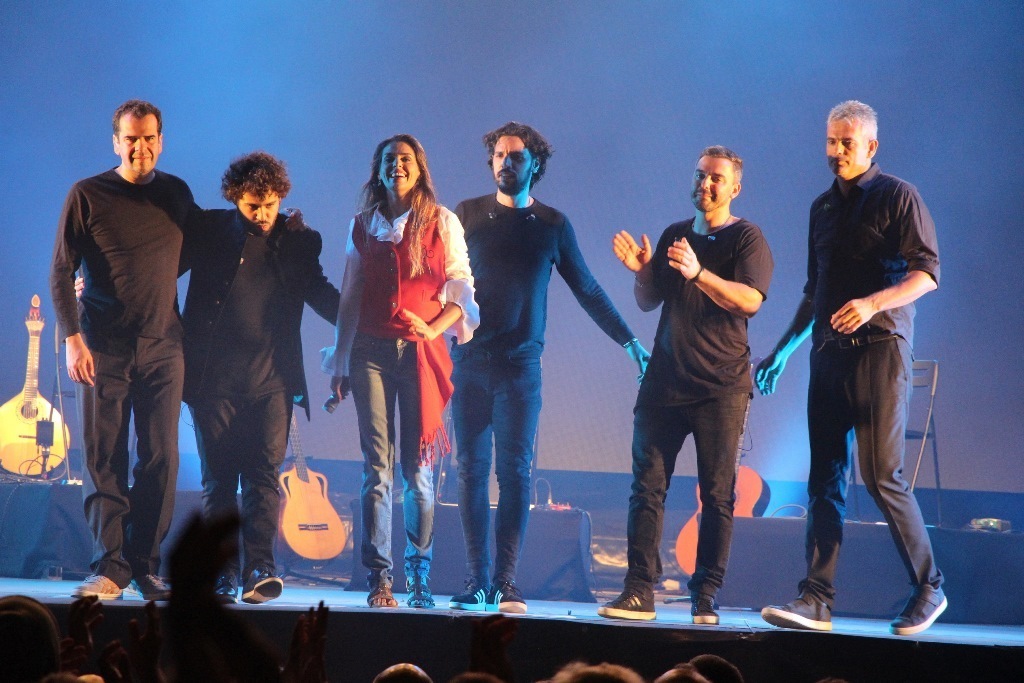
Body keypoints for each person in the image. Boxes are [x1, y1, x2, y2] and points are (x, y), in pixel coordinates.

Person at [755, 100, 944, 636]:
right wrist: (782, 351)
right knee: (824, 480)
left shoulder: (898, 196)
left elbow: (927, 274)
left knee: (881, 476)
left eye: (847, 143)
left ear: (871, 147)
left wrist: (872, 303)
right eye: (831, 141)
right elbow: (813, 292)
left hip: (880, 349)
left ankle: (929, 587)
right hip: (828, 355)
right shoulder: (821, 208)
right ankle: (816, 600)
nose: (836, 151)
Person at [448, 122, 649, 615]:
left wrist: (630, 342)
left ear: (534, 163)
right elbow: (441, 277)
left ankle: (506, 582)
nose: (505, 163)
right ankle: (477, 580)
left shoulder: (552, 225)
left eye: (516, 156)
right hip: (470, 363)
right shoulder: (466, 214)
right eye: (499, 155)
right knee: (470, 471)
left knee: (514, 474)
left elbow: (588, 289)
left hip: (520, 369)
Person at [597, 147, 773, 624]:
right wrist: (642, 272)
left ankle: (705, 595)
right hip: (664, 383)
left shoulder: (746, 238)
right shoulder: (676, 234)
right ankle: (639, 591)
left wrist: (700, 274)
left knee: (717, 495)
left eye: (716, 178)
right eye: (700, 175)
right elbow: (648, 301)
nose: (705, 184)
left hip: (720, 388)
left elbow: (749, 301)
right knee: (646, 489)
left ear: (734, 188)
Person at [322, 134, 478, 609]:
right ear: (379, 169)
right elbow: (350, 295)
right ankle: (380, 579)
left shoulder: (442, 221)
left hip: (419, 354)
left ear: (419, 167)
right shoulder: (363, 225)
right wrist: (340, 359)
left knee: (418, 470)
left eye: (405, 159)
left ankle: (419, 574)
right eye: (389, 159)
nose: (397, 166)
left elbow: (462, 290)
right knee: (377, 467)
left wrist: (433, 330)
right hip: (369, 350)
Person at [50, 99, 195, 601]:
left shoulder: (176, 194)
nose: (140, 147)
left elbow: (204, 244)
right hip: (102, 347)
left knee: (161, 458)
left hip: (164, 347)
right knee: (104, 456)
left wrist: (280, 224)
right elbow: (61, 270)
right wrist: (73, 340)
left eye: (149, 138)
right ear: (116, 142)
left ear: (161, 141)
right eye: (131, 138)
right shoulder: (87, 194)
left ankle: (144, 566)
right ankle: (110, 566)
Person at [181, 151, 340, 604]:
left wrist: (360, 324)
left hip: (273, 380)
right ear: (235, 198)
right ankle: (222, 574)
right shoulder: (210, 230)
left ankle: (260, 569)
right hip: (213, 382)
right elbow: (160, 269)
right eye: (253, 206)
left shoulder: (297, 240)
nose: (263, 214)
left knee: (264, 477)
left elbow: (319, 292)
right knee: (219, 481)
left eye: (271, 205)